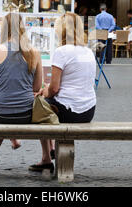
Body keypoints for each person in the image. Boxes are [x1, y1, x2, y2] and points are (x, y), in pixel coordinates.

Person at [31, 12, 96, 173]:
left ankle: (47, 157)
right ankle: (51, 149)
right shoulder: (88, 52)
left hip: (69, 110)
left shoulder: (62, 51)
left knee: (38, 107)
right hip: (88, 110)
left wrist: (42, 92)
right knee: (47, 102)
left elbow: (54, 89)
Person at [0, 13, 42, 173]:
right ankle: (9, 143)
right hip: (26, 114)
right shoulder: (34, 52)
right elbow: (36, 87)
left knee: (0, 112)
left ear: (3, 28)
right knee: (6, 112)